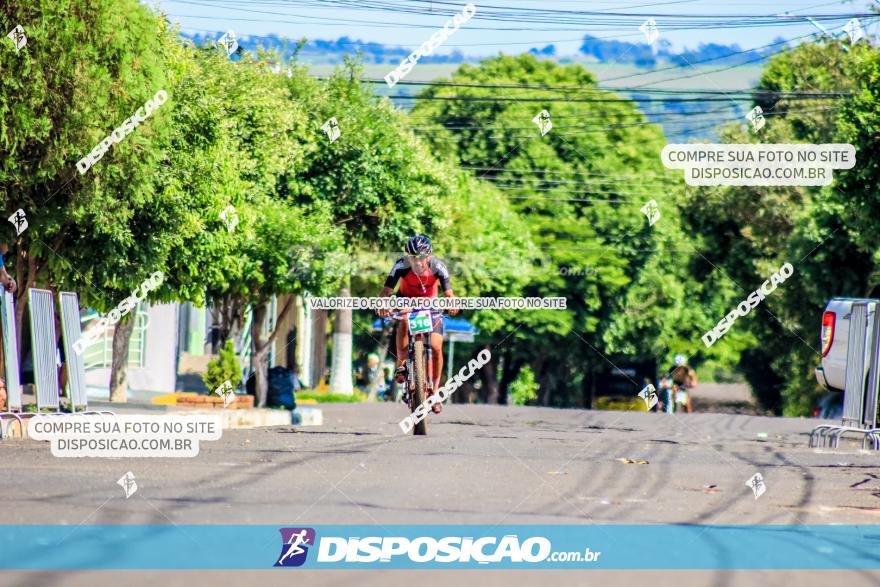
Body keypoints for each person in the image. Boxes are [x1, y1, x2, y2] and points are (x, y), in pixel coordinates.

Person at [377, 235, 459, 414]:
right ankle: (402, 364)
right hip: (405, 301)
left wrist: (452, 304)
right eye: (413, 257)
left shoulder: (438, 267)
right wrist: (383, 304)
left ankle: (435, 391)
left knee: (437, 347)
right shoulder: (401, 265)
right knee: (405, 320)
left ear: (429, 256)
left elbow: (450, 294)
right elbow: (386, 291)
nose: (418, 262)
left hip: (431, 304)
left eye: (422, 257)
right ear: (407, 256)